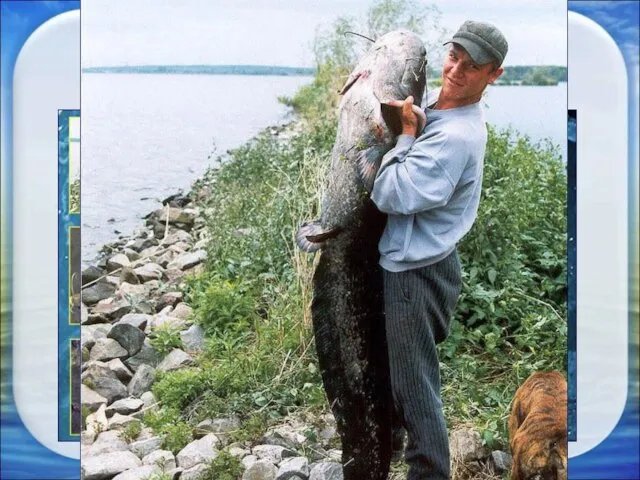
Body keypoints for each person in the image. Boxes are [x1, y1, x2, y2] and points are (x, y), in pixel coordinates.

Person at [370, 20, 508, 479]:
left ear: (494, 76)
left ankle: (429, 472)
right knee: (401, 378)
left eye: (472, 67)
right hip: (423, 262)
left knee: (416, 390)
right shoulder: (440, 110)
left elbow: (388, 193)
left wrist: (407, 136)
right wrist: (412, 122)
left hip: (416, 274)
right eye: (453, 57)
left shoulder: (456, 137)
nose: (456, 70)